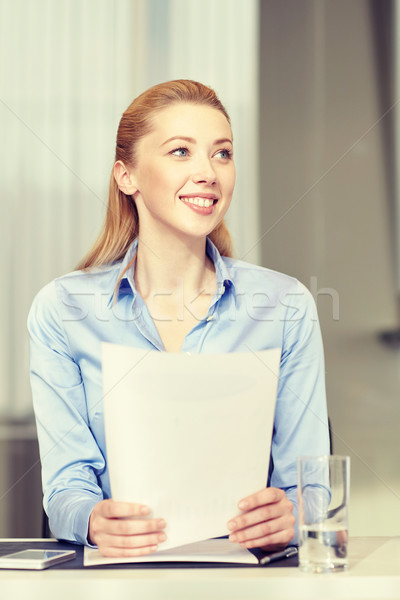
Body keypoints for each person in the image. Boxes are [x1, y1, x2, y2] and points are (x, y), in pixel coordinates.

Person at [28, 79, 329, 558]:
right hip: (121, 577)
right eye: (180, 152)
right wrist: (91, 519)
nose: (208, 172)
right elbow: (65, 489)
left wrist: (292, 517)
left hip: (249, 579)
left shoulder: (286, 306)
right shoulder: (62, 312)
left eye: (222, 153)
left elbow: (311, 489)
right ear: (127, 176)